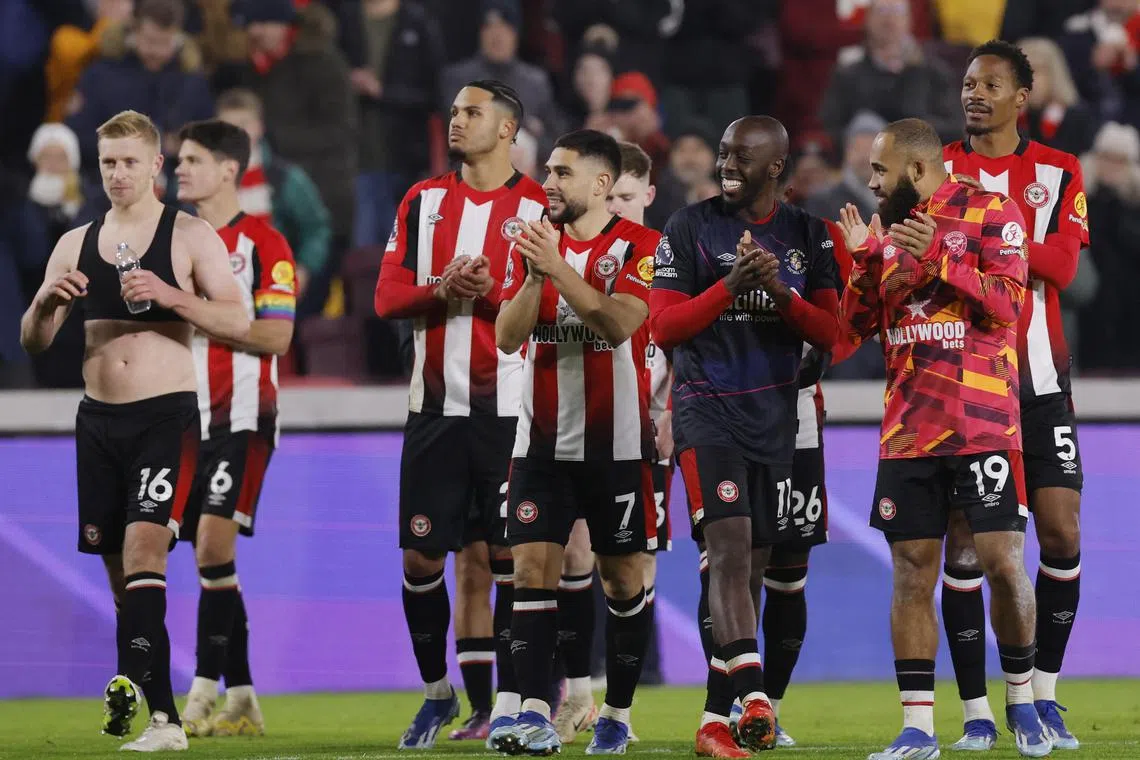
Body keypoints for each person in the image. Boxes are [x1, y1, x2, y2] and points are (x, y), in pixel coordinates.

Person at [18, 109, 249, 751]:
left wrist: (174, 298)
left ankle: (167, 722)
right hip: (97, 422)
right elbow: (34, 342)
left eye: (128, 162)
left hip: (164, 417)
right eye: (108, 164)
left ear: (155, 165)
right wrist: (44, 305)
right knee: (125, 584)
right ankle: (130, 684)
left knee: (148, 557)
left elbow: (239, 320)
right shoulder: (76, 241)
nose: (117, 174)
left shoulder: (188, 234)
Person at [836, 117, 1052, 759]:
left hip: (984, 424)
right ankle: (919, 729)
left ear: (918, 171)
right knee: (910, 574)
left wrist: (938, 257)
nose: (870, 183)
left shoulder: (993, 212)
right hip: (908, 432)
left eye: (880, 171)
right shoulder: (883, 235)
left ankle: (1022, 700)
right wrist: (863, 262)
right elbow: (850, 334)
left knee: (1001, 564)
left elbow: (1009, 306)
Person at [649, 116, 841, 755]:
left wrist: (780, 294)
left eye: (741, 155)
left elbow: (832, 335)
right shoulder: (689, 226)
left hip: (776, 419)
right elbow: (665, 329)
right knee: (728, 551)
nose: (727, 163)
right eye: (724, 152)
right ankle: (754, 697)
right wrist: (730, 285)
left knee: (759, 566)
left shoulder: (808, 236)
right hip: (706, 413)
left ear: (777, 168)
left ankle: (713, 721)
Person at [374, 80, 547, 749]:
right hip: (434, 407)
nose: (456, 119)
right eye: (452, 110)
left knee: (507, 556)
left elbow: (552, 297)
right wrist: (441, 287)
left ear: (506, 129)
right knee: (423, 556)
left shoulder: (538, 206)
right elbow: (388, 299)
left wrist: (495, 291)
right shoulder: (423, 202)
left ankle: (505, 702)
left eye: (472, 112)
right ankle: (436, 693)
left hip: (511, 410)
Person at [491, 129, 661, 756]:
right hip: (539, 442)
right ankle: (536, 712)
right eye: (548, 173)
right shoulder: (532, 243)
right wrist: (538, 274)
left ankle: (615, 711)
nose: (549, 184)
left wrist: (558, 267)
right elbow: (509, 336)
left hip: (616, 445)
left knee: (620, 582)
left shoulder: (642, 247)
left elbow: (619, 323)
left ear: (599, 184)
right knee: (531, 570)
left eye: (562, 173)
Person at [941, 40, 1090, 752]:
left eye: (990, 84)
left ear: (1021, 96)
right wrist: (1006, 243)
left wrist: (986, 238)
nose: (975, 94)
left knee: (1060, 535)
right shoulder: (936, 167)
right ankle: (977, 711)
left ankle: (1047, 695)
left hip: (1040, 382)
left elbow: (1061, 265)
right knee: (969, 550)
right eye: (969, 83)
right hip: (965, 387)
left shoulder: (1059, 172)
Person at [173, 118, 297, 738]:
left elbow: (277, 334)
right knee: (212, 564)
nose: (179, 168)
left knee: (212, 547)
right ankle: (242, 694)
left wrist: (192, 311)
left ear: (229, 169)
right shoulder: (171, 242)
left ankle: (198, 692)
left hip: (243, 416)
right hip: (180, 422)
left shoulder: (264, 244)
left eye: (192, 159)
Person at [550, 140, 667, 746]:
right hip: (570, 428)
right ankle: (580, 694)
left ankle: (624, 706)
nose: (617, 205)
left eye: (627, 195)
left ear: (645, 195)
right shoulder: (566, 245)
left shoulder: (659, 254)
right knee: (570, 556)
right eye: (611, 195)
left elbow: (680, 337)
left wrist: (672, 408)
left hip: (642, 432)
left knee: (633, 569)